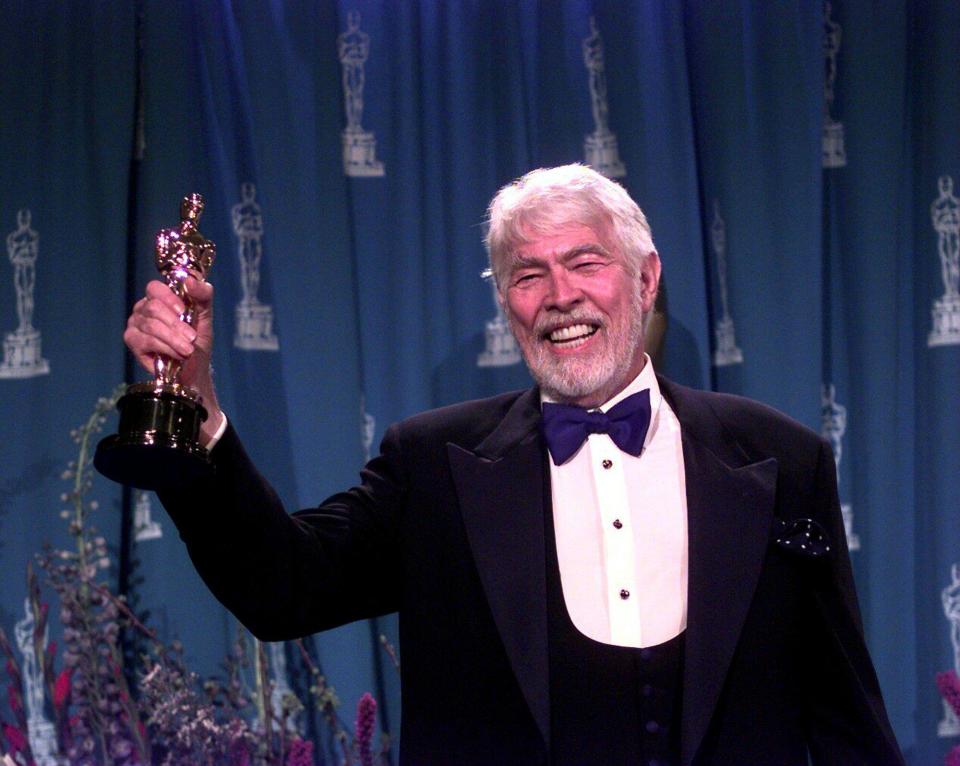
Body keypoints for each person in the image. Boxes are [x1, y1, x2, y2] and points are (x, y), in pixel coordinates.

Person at [124, 164, 903, 765]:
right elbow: (281, 586)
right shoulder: (434, 466)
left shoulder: (779, 459)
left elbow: (845, 721)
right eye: (528, 276)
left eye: (585, 263)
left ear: (646, 278)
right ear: (507, 304)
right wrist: (195, 403)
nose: (559, 296)